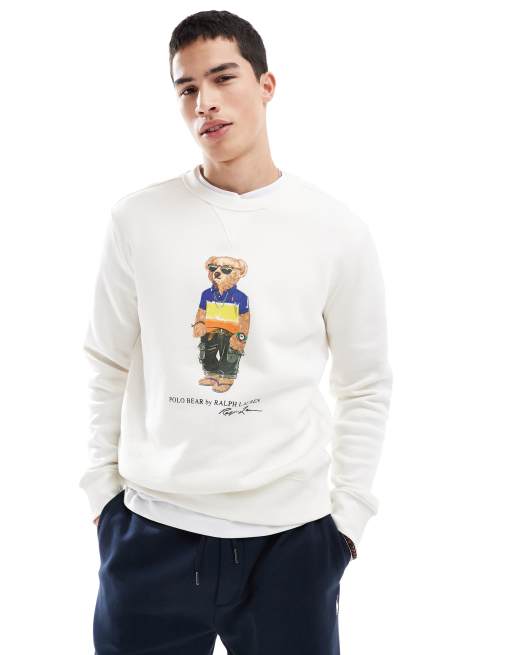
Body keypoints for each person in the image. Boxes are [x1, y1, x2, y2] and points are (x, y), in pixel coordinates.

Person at [80, 9, 393, 655]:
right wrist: (102, 495)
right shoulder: (138, 219)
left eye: (223, 78)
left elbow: (364, 382)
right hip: (151, 532)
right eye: (187, 88)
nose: (205, 102)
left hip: (293, 541)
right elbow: (107, 360)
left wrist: (347, 520)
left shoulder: (335, 229)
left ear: (266, 84)